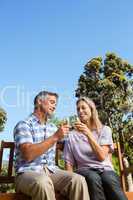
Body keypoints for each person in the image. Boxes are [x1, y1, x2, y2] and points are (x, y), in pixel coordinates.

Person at [14, 91, 90, 200]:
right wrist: (55, 137)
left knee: (78, 180)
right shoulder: (24, 125)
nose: (54, 106)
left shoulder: (52, 127)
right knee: (42, 182)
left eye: (55, 104)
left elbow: (67, 147)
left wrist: (78, 133)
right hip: (27, 173)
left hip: (51, 171)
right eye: (52, 102)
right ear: (39, 102)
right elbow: (28, 154)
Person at [64, 96, 127, 200]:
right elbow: (68, 163)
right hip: (84, 170)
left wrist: (88, 134)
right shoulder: (72, 136)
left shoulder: (105, 130)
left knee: (109, 179)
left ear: (92, 110)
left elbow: (102, 156)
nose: (80, 111)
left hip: (105, 170)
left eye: (83, 108)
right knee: (93, 177)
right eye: (78, 109)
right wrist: (69, 184)